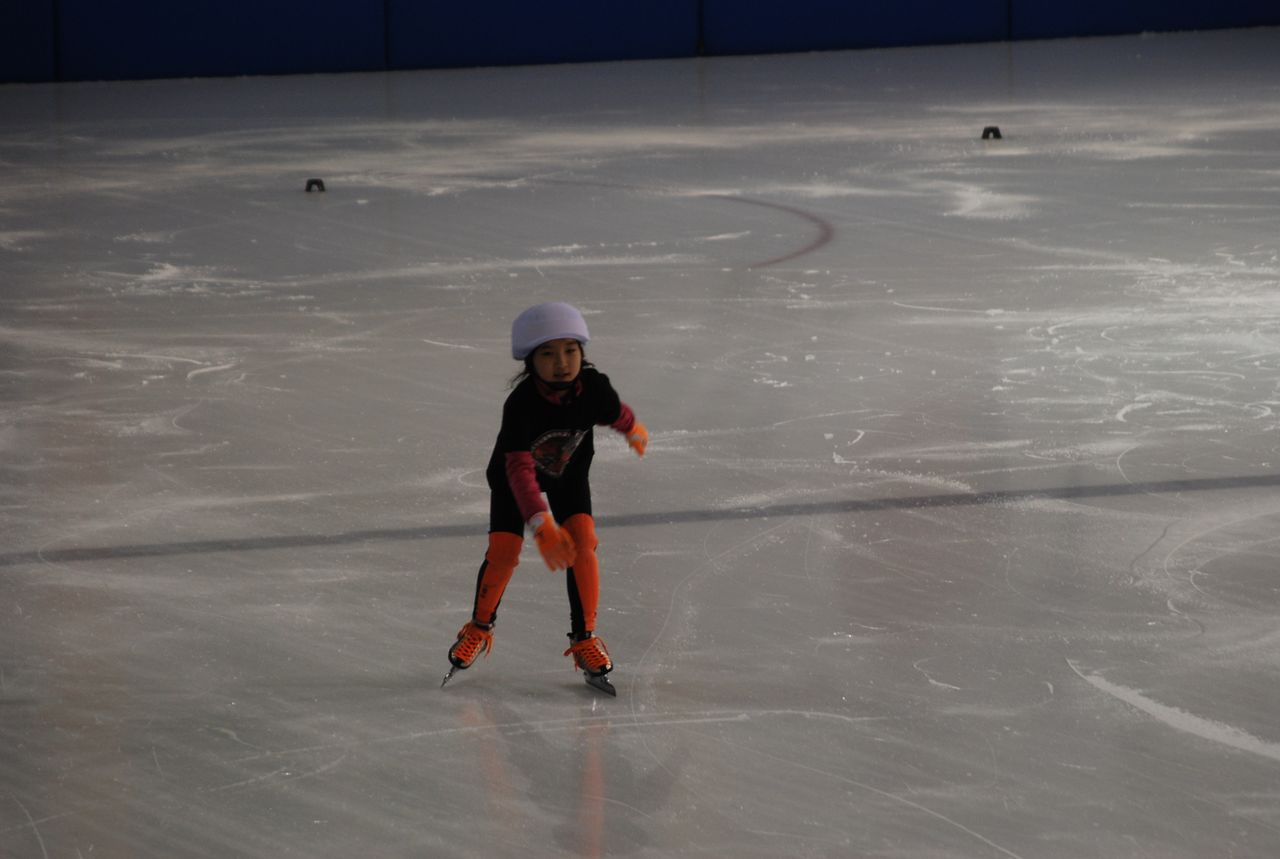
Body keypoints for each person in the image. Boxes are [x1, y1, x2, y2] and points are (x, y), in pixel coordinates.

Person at [442, 302, 648, 691]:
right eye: (548, 353)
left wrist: (631, 428)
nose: (561, 362)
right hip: (513, 482)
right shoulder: (520, 405)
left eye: (570, 350)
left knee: (584, 543)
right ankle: (479, 627)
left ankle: (585, 637)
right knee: (504, 553)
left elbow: (611, 410)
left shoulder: (594, 387)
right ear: (530, 360)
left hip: (568, 477)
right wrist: (541, 525)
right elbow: (519, 471)